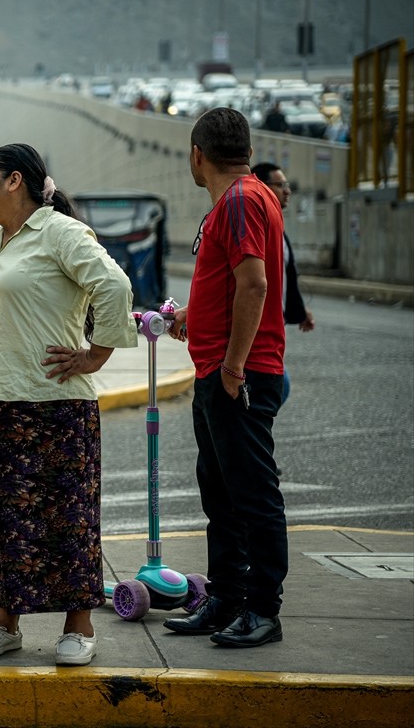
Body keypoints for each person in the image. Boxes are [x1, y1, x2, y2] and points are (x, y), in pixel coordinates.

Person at [0, 143, 137, 667]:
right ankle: (6, 621)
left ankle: (78, 625)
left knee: (69, 519)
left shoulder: (59, 233)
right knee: (8, 519)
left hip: (56, 405)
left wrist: (96, 354)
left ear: (14, 181)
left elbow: (113, 285)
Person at [162, 108, 287, 648]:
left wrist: (234, 367)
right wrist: (195, 317)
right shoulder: (247, 197)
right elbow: (236, 286)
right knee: (222, 493)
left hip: (239, 374)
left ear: (197, 154)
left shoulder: (237, 200)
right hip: (217, 368)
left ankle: (261, 609)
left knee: (252, 496)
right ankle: (225, 599)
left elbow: (255, 286)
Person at [252, 162, 315, 405]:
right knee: (280, 385)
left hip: (273, 333)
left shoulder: (277, 226)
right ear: (262, 187)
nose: (287, 191)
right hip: (259, 335)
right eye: (281, 185)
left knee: (278, 387)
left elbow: (286, 277)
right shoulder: (259, 226)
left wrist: (299, 310)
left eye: (287, 185)